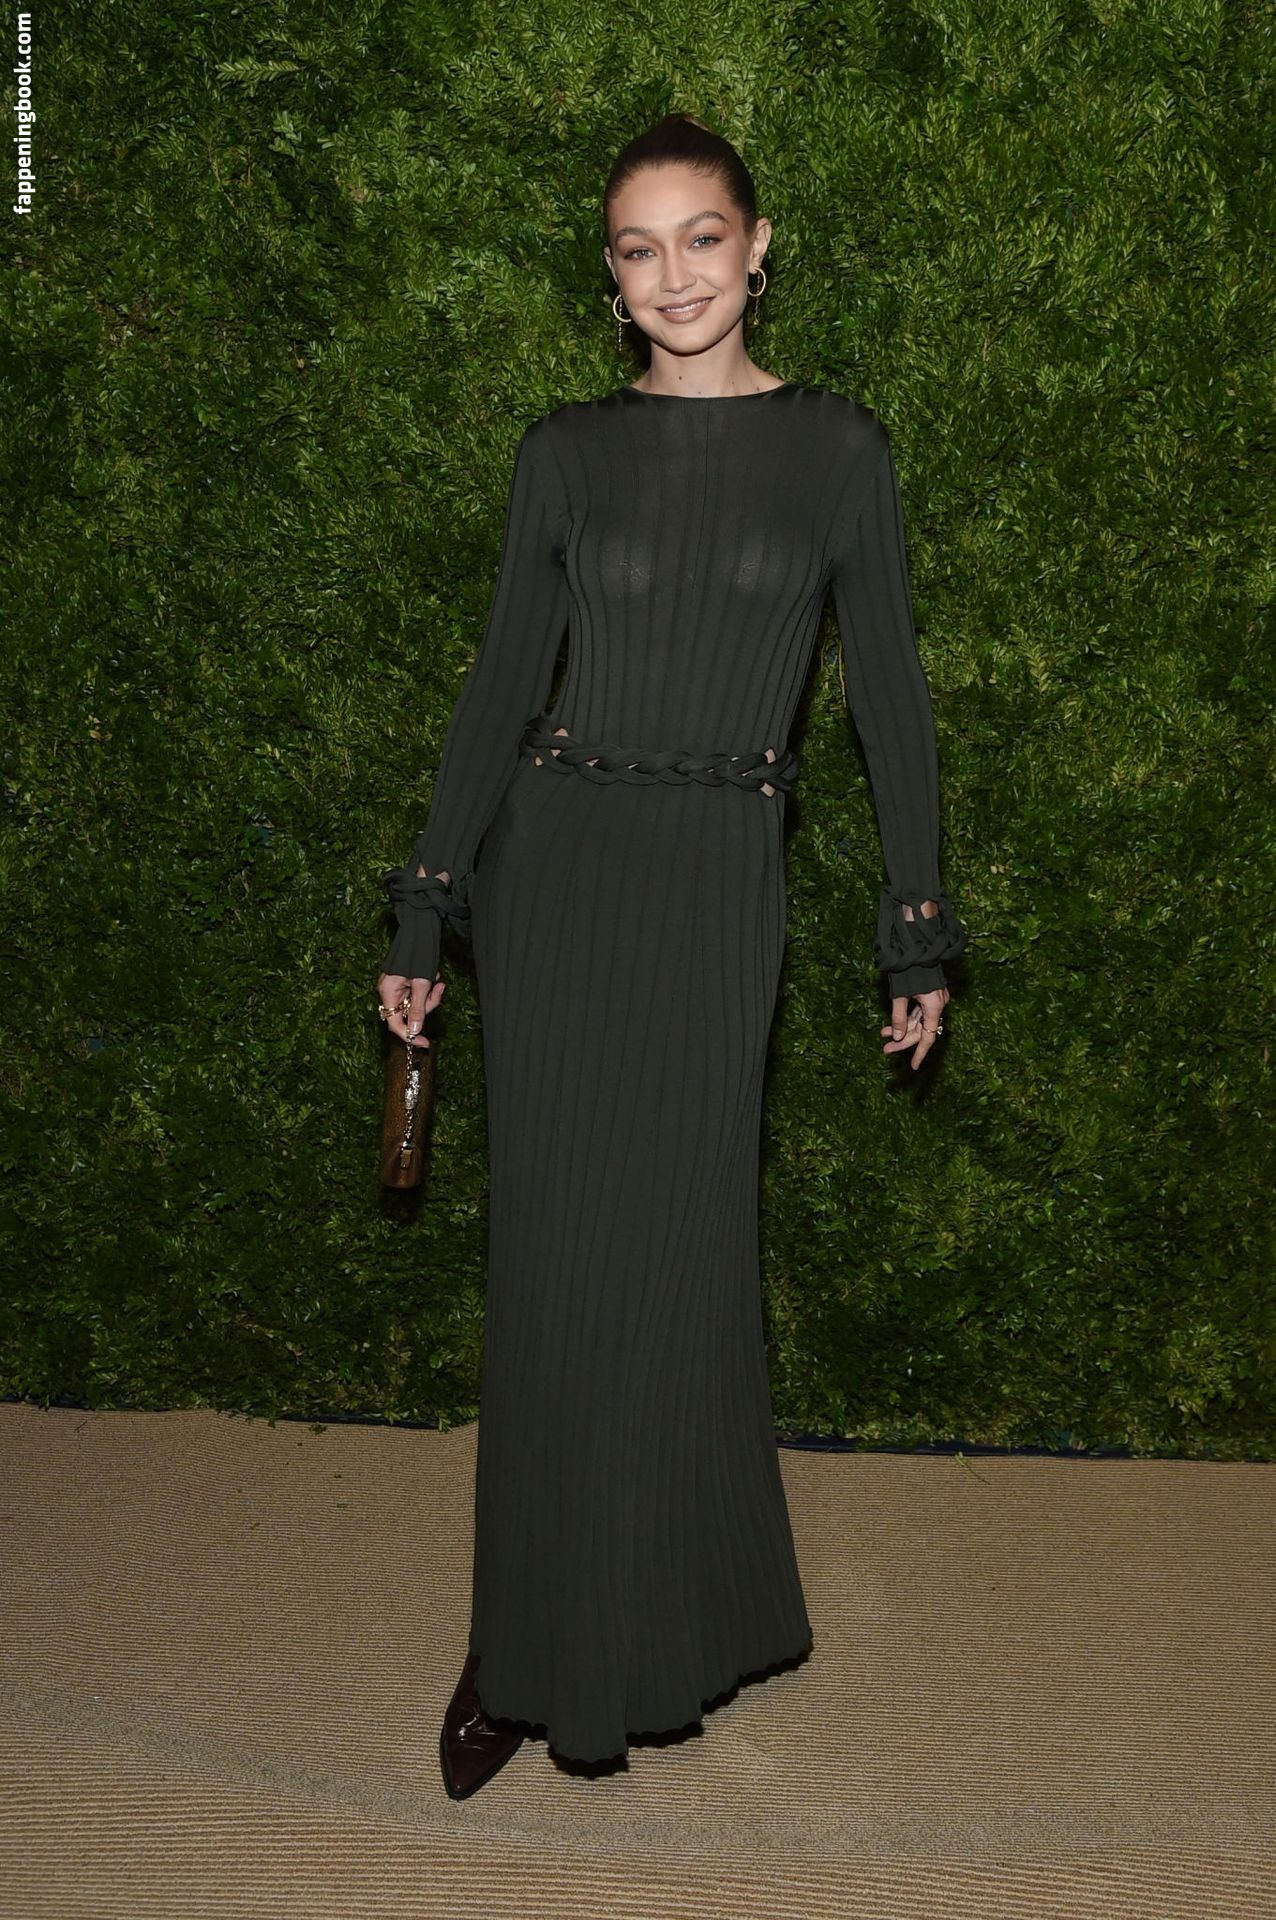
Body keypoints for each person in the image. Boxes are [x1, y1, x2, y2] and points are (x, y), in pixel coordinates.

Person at [378, 112, 967, 1798]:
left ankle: (687, 1617)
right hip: (558, 881)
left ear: (759, 247)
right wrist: (427, 904)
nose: (675, 276)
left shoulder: (840, 449)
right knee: (553, 1279)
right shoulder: (564, 453)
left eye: (702, 238)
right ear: (611, 275)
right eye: (639, 250)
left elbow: (891, 700)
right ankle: (522, 1649)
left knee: (682, 1261)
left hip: (719, 885)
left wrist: (915, 929)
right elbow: (504, 684)